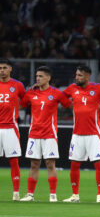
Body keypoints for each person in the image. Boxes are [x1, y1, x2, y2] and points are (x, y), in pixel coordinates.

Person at [19, 66, 72, 202]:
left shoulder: (56, 93)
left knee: (50, 164)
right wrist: (26, 91)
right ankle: (30, 194)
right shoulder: (31, 93)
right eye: (37, 76)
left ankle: (53, 195)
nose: (38, 78)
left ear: (48, 78)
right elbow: (20, 105)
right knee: (34, 164)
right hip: (34, 134)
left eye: (41, 76)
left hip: (50, 134)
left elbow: (70, 105)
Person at [62, 65, 100, 203]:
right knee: (74, 164)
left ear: (88, 76)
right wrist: (69, 105)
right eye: (76, 75)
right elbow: (59, 97)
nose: (76, 78)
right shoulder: (72, 88)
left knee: (98, 164)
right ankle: (75, 195)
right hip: (77, 134)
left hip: (94, 133)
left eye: (80, 75)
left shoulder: (98, 88)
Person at [0, 59, 25, 201]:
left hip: (10, 127)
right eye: (0, 68)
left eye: (4, 67)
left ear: (10, 69)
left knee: (13, 160)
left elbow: (26, 100)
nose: (2, 70)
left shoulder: (17, 85)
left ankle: (16, 193)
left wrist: (16, 108)